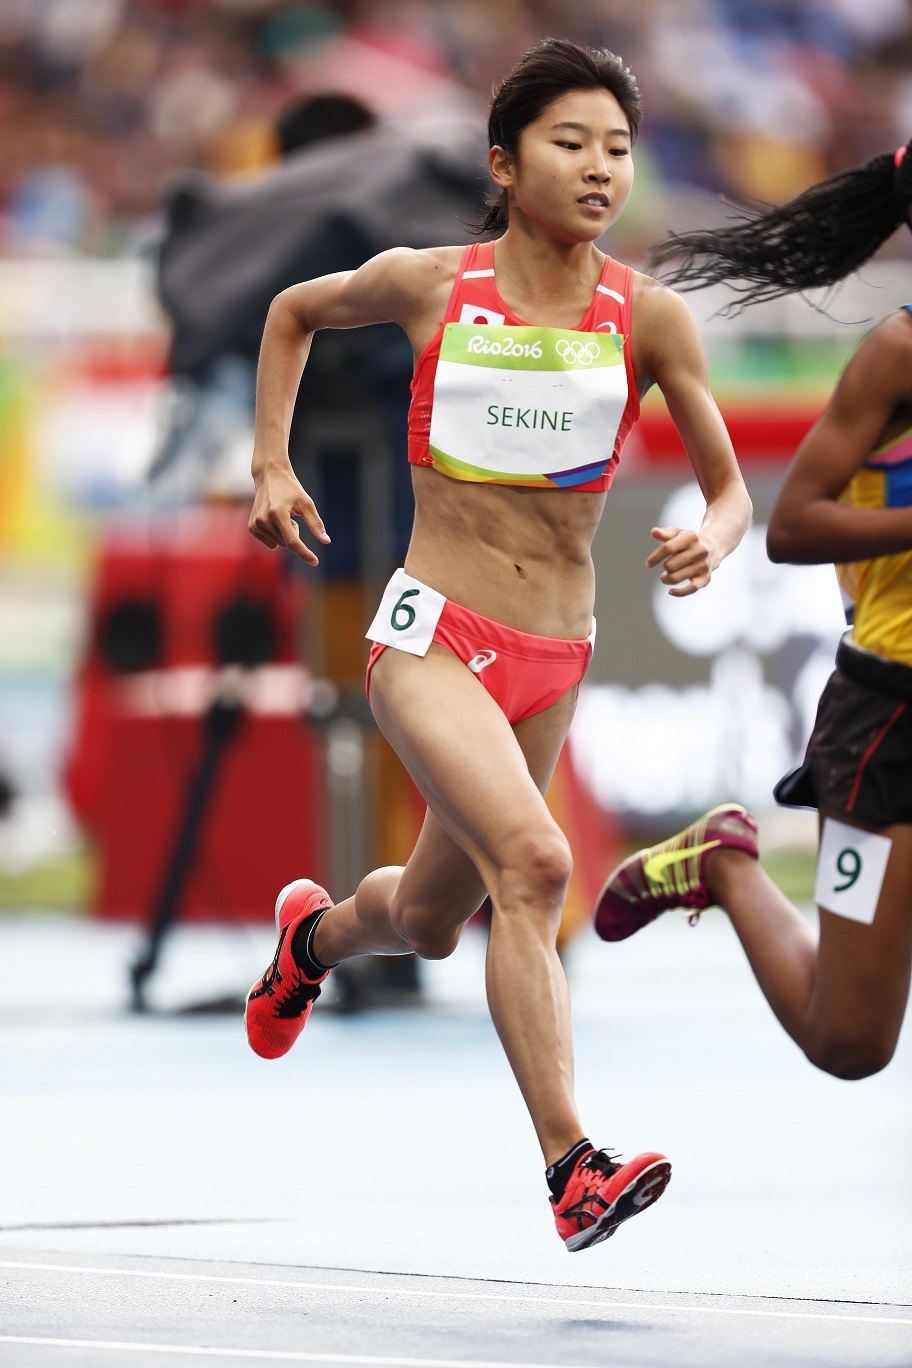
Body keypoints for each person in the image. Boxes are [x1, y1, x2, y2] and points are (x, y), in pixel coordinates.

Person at [244, 37, 751, 1252]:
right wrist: (271, 460)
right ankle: (574, 1165)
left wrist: (714, 537)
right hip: (433, 637)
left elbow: (731, 491)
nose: (599, 170)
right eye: (570, 144)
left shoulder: (650, 319)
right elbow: (292, 312)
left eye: (618, 149)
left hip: (554, 658)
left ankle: (310, 938)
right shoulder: (433, 285)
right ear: (503, 162)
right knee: (533, 863)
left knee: (426, 918)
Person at [595, 142, 912, 1084]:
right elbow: (796, 525)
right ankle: (728, 865)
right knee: (850, 1043)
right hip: (891, 723)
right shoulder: (898, 351)